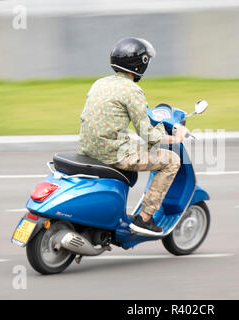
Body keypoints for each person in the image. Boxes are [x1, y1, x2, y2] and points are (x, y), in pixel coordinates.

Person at [78, 37, 189, 236]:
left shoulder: (100, 83)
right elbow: (148, 135)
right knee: (172, 161)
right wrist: (177, 138)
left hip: (88, 148)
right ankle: (145, 219)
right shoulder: (133, 90)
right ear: (141, 64)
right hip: (113, 154)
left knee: (130, 139)